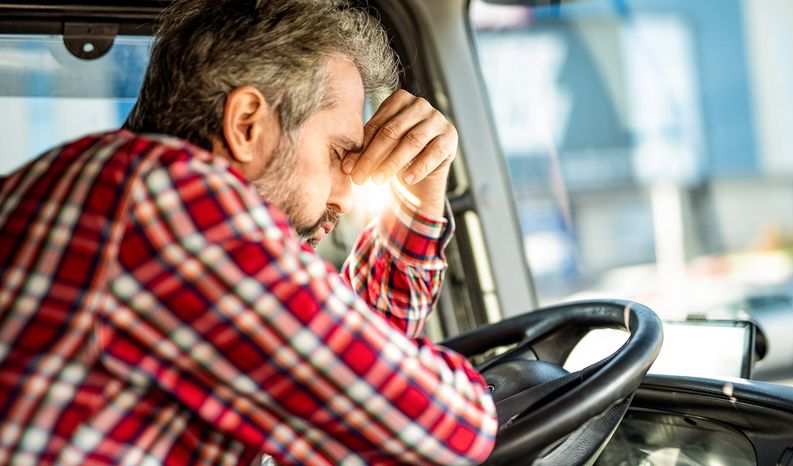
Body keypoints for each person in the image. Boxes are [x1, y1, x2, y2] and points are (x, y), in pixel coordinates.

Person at [0, 0, 498, 465]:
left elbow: (343, 378)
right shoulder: (176, 204)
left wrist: (416, 200)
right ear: (246, 125)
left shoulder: (125, 188)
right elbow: (449, 431)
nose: (345, 198)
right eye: (335, 153)